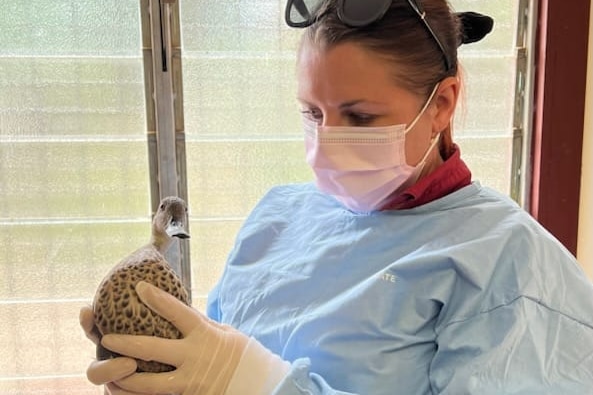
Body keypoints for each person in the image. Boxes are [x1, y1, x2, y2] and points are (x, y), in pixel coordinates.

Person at [79, 0, 593, 394]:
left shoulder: (510, 267)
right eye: (312, 113)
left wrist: (251, 379)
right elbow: (215, 362)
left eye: (360, 117)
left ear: (441, 103)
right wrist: (166, 370)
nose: (326, 141)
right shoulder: (277, 217)